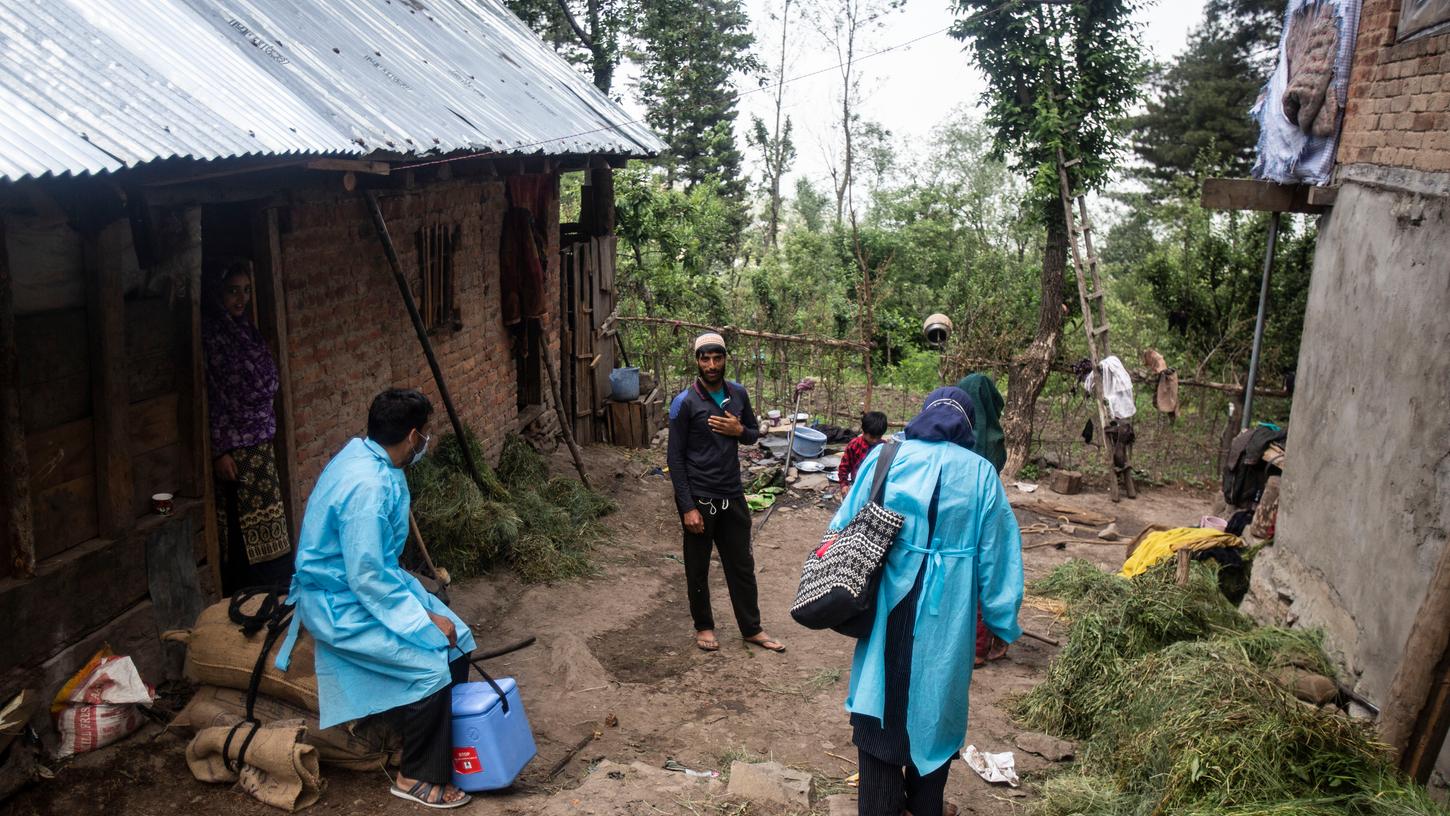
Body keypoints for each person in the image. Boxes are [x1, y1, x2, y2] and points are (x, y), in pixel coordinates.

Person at [275, 389, 476, 809]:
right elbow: (366, 577)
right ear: (413, 435)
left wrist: (424, 606)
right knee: (430, 663)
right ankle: (415, 776)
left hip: (371, 581)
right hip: (341, 600)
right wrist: (422, 618)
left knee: (463, 640)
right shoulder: (365, 487)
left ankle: (430, 746)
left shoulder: (368, 456)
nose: (424, 445)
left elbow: (374, 565)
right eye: (425, 438)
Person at [834, 387, 1023, 816]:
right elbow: (999, 555)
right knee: (935, 706)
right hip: (948, 615)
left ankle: (880, 805)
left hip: (888, 608)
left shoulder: (889, 456)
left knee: (881, 700)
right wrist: (1001, 619)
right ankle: (925, 806)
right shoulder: (981, 474)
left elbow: (843, 524)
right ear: (967, 427)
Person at [667, 332, 785, 654]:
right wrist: (687, 507)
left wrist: (739, 430)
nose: (711, 364)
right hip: (701, 498)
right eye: (705, 358)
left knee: (741, 564)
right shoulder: (684, 403)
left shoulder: (738, 394)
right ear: (696, 361)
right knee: (698, 565)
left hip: (731, 494)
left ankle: (752, 628)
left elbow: (750, 434)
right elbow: (674, 460)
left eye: (717, 358)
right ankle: (703, 626)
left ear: (725, 359)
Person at [202, 260, 293, 593]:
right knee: (244, 522)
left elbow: (266, 377)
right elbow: (213, 396)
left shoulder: (245, 330)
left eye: (246, 291)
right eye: (232, 291)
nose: (241, 299)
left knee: (269, 519)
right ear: (216, 293)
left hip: (261, 439)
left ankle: (275, 587)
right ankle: (249, 592)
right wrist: (219, 450)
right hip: (236, 447)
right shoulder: (214, 336)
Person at [956, 372, 1011, 666]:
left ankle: (966, 642)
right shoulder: (994, 439)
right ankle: (979, 646)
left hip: (953, 517)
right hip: (985, 515)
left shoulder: (955, 432)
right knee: (985, 575)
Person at [837, 411, 888, 497]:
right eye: (872, 437)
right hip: (857, 484)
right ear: (864, 431)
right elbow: (844, 467)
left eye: (878, 437)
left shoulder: (884, 447)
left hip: (876, 487)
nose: (875, 440)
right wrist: (844, 484)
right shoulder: (854, 445)